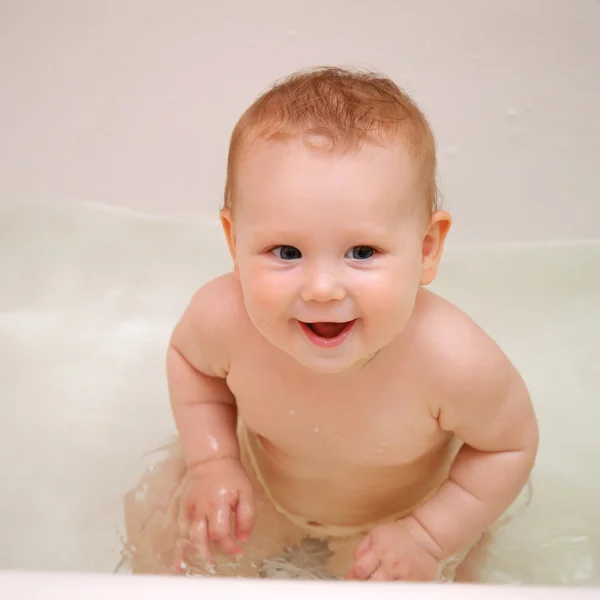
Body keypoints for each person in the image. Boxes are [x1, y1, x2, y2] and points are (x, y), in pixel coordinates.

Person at [122, 67, 538, 582]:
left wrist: (430, 536)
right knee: (166, 548)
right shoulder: (223, 318)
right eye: (286, 251)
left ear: (427, 249)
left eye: (362, 252)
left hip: (401, 518)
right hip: (261, 488)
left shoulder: (452, 361)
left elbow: (508, 445)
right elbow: (190, 362)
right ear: (233, 242)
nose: (322, 288)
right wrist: (213, 462)